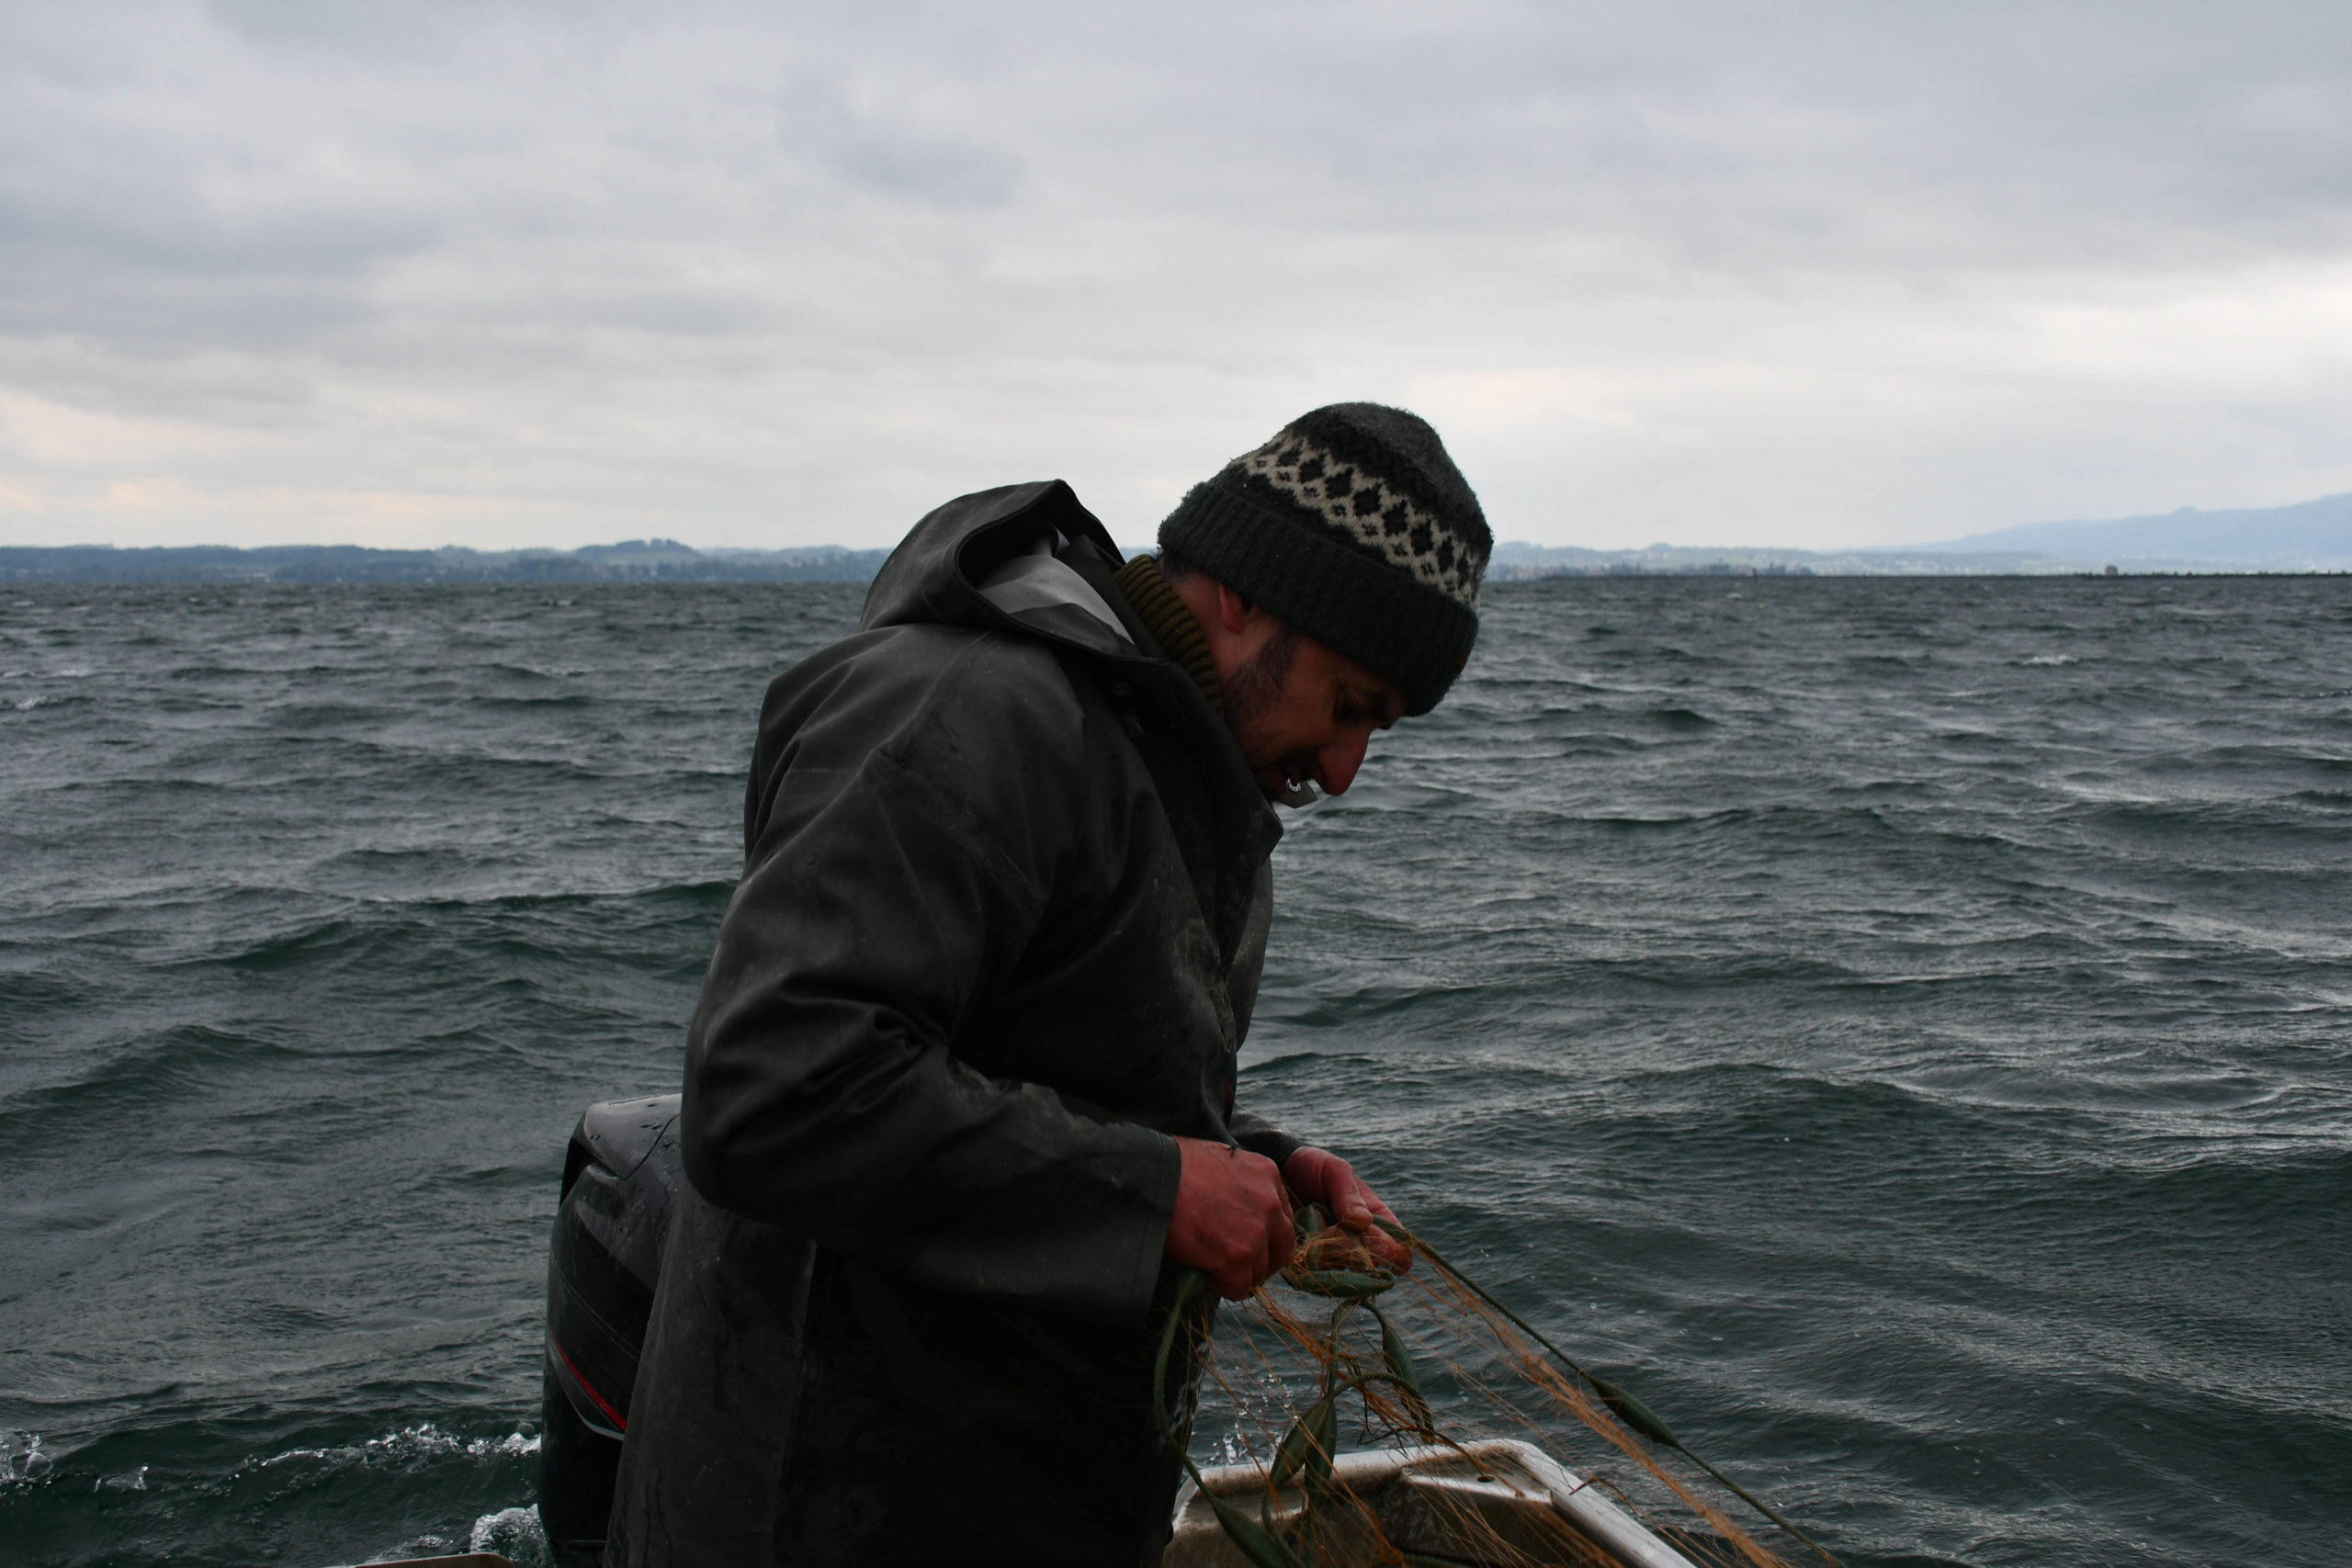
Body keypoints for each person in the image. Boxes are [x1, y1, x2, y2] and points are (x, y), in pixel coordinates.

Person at [604, 402, 1492, 1567]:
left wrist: (1251, 1165)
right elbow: (771, 1086)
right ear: (1245, 595)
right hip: (824, 1512)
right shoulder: (975, 710)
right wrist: (1159, 1193)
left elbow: (1039, 1067)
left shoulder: (1189, 769)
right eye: (1347, 707)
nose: (1343, 774)